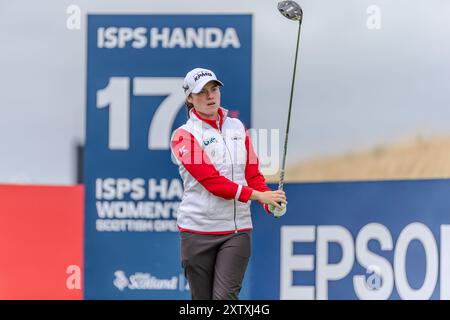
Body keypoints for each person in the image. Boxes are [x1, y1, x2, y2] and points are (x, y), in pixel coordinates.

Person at [170, 67, 287, 300]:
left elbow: (252, 174)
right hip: (197, 232)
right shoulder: (183, 136)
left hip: (236, 232)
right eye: (202, 92)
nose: (210, 96)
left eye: (213, 90)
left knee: (225, 300)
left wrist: (269, 202)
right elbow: (213, 183)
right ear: (190, 98)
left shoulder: (237, 127)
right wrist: (258, 196)